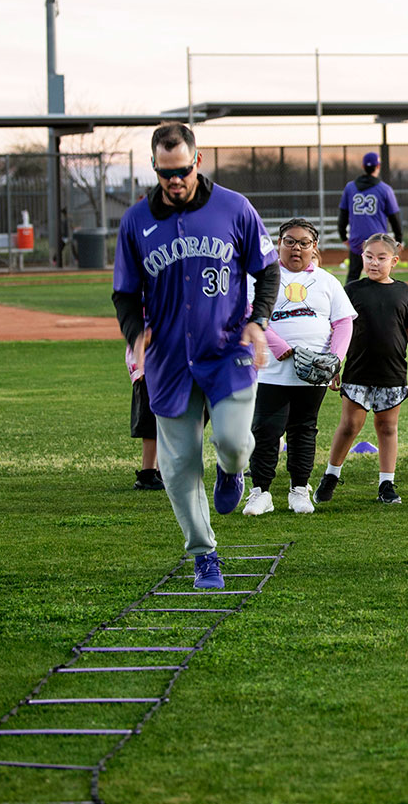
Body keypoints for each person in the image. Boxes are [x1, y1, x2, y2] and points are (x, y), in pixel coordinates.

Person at [112, 122, 279, 590]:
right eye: (165, 173)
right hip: (168, 359)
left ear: (197, 161)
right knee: (179, 465)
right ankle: (204, 554)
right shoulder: (135, 221)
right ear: (154, 167)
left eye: (182, 170)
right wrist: (135, 333)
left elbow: (267, 271)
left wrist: (258, 321)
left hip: (228, 350)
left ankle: (232, 471)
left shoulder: (234, 208)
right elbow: (124, 293)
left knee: (234, 442)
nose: (174, 181)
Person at [242, 218, 356, 516]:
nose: (296, 248)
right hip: (271, 369)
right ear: (278, 244)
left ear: (314, 246)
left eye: (304, 243)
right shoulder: (263, 278)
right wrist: (279, 346)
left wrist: (335, 359)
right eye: (290, 241)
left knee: (304, 430)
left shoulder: (326, 281)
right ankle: (261, 492)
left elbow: (343, 322)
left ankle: (299, 489)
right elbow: (250, 313)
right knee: (266, 430)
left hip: (313, 372)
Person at [316, 233, 408, 506]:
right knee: (350, 425)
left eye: (381, 258)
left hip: (392, 372)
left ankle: (386, 483)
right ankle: (331, 475)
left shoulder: (405, 292)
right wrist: (334, 364)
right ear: (361, 258)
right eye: (369, 257)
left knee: (387, 427)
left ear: (394, 261)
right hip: (358, 370)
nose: (374, 263)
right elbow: (337, 329)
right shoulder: (352, 290)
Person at [338, 151, 403, 281]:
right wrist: (399, 238)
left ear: (363, 166)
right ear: (378, 166)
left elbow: (343, 214)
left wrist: (343, 236)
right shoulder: (385, 189)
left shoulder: (350, 188)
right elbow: (394, 217)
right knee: (381, 275)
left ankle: (348, 295)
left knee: (353, 276)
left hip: (357, 240)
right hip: (378, 240)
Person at [126, 340, 163, 491]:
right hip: (146, 366)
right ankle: (147, 474)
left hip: (161, 365)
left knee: (163, 419)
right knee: (150, 420)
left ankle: (162, 472)